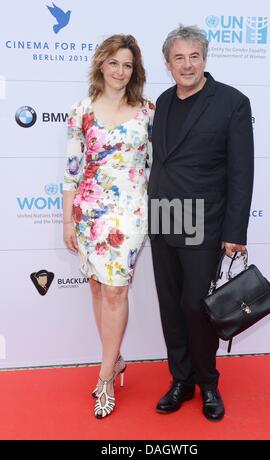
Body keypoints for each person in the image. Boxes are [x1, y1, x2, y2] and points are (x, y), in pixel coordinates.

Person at [148, 25, 254, 421]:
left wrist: (234, 232)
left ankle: (208, 383)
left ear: (205, 59)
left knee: (197, 307)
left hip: (203, 218)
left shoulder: (231, 102)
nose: (187, 64)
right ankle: (181, 380)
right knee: (171, 306)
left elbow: (241, 172)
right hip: (163, 214)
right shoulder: (162, 100)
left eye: (194, 56)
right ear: (168, 63)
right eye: (179, 57)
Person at [63, 34, 154, 419]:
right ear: (101, 64)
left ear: (135, 71)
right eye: (114, 62)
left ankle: (103, 378)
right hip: (89, 211)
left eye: (128, 65)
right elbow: (71, 173)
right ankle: (114, 361)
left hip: (130, 212)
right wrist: (68, 219)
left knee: (116, 291)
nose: (120, 71)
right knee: (99, 287)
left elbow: (158, 165)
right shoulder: (80, 110)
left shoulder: (148, 110)